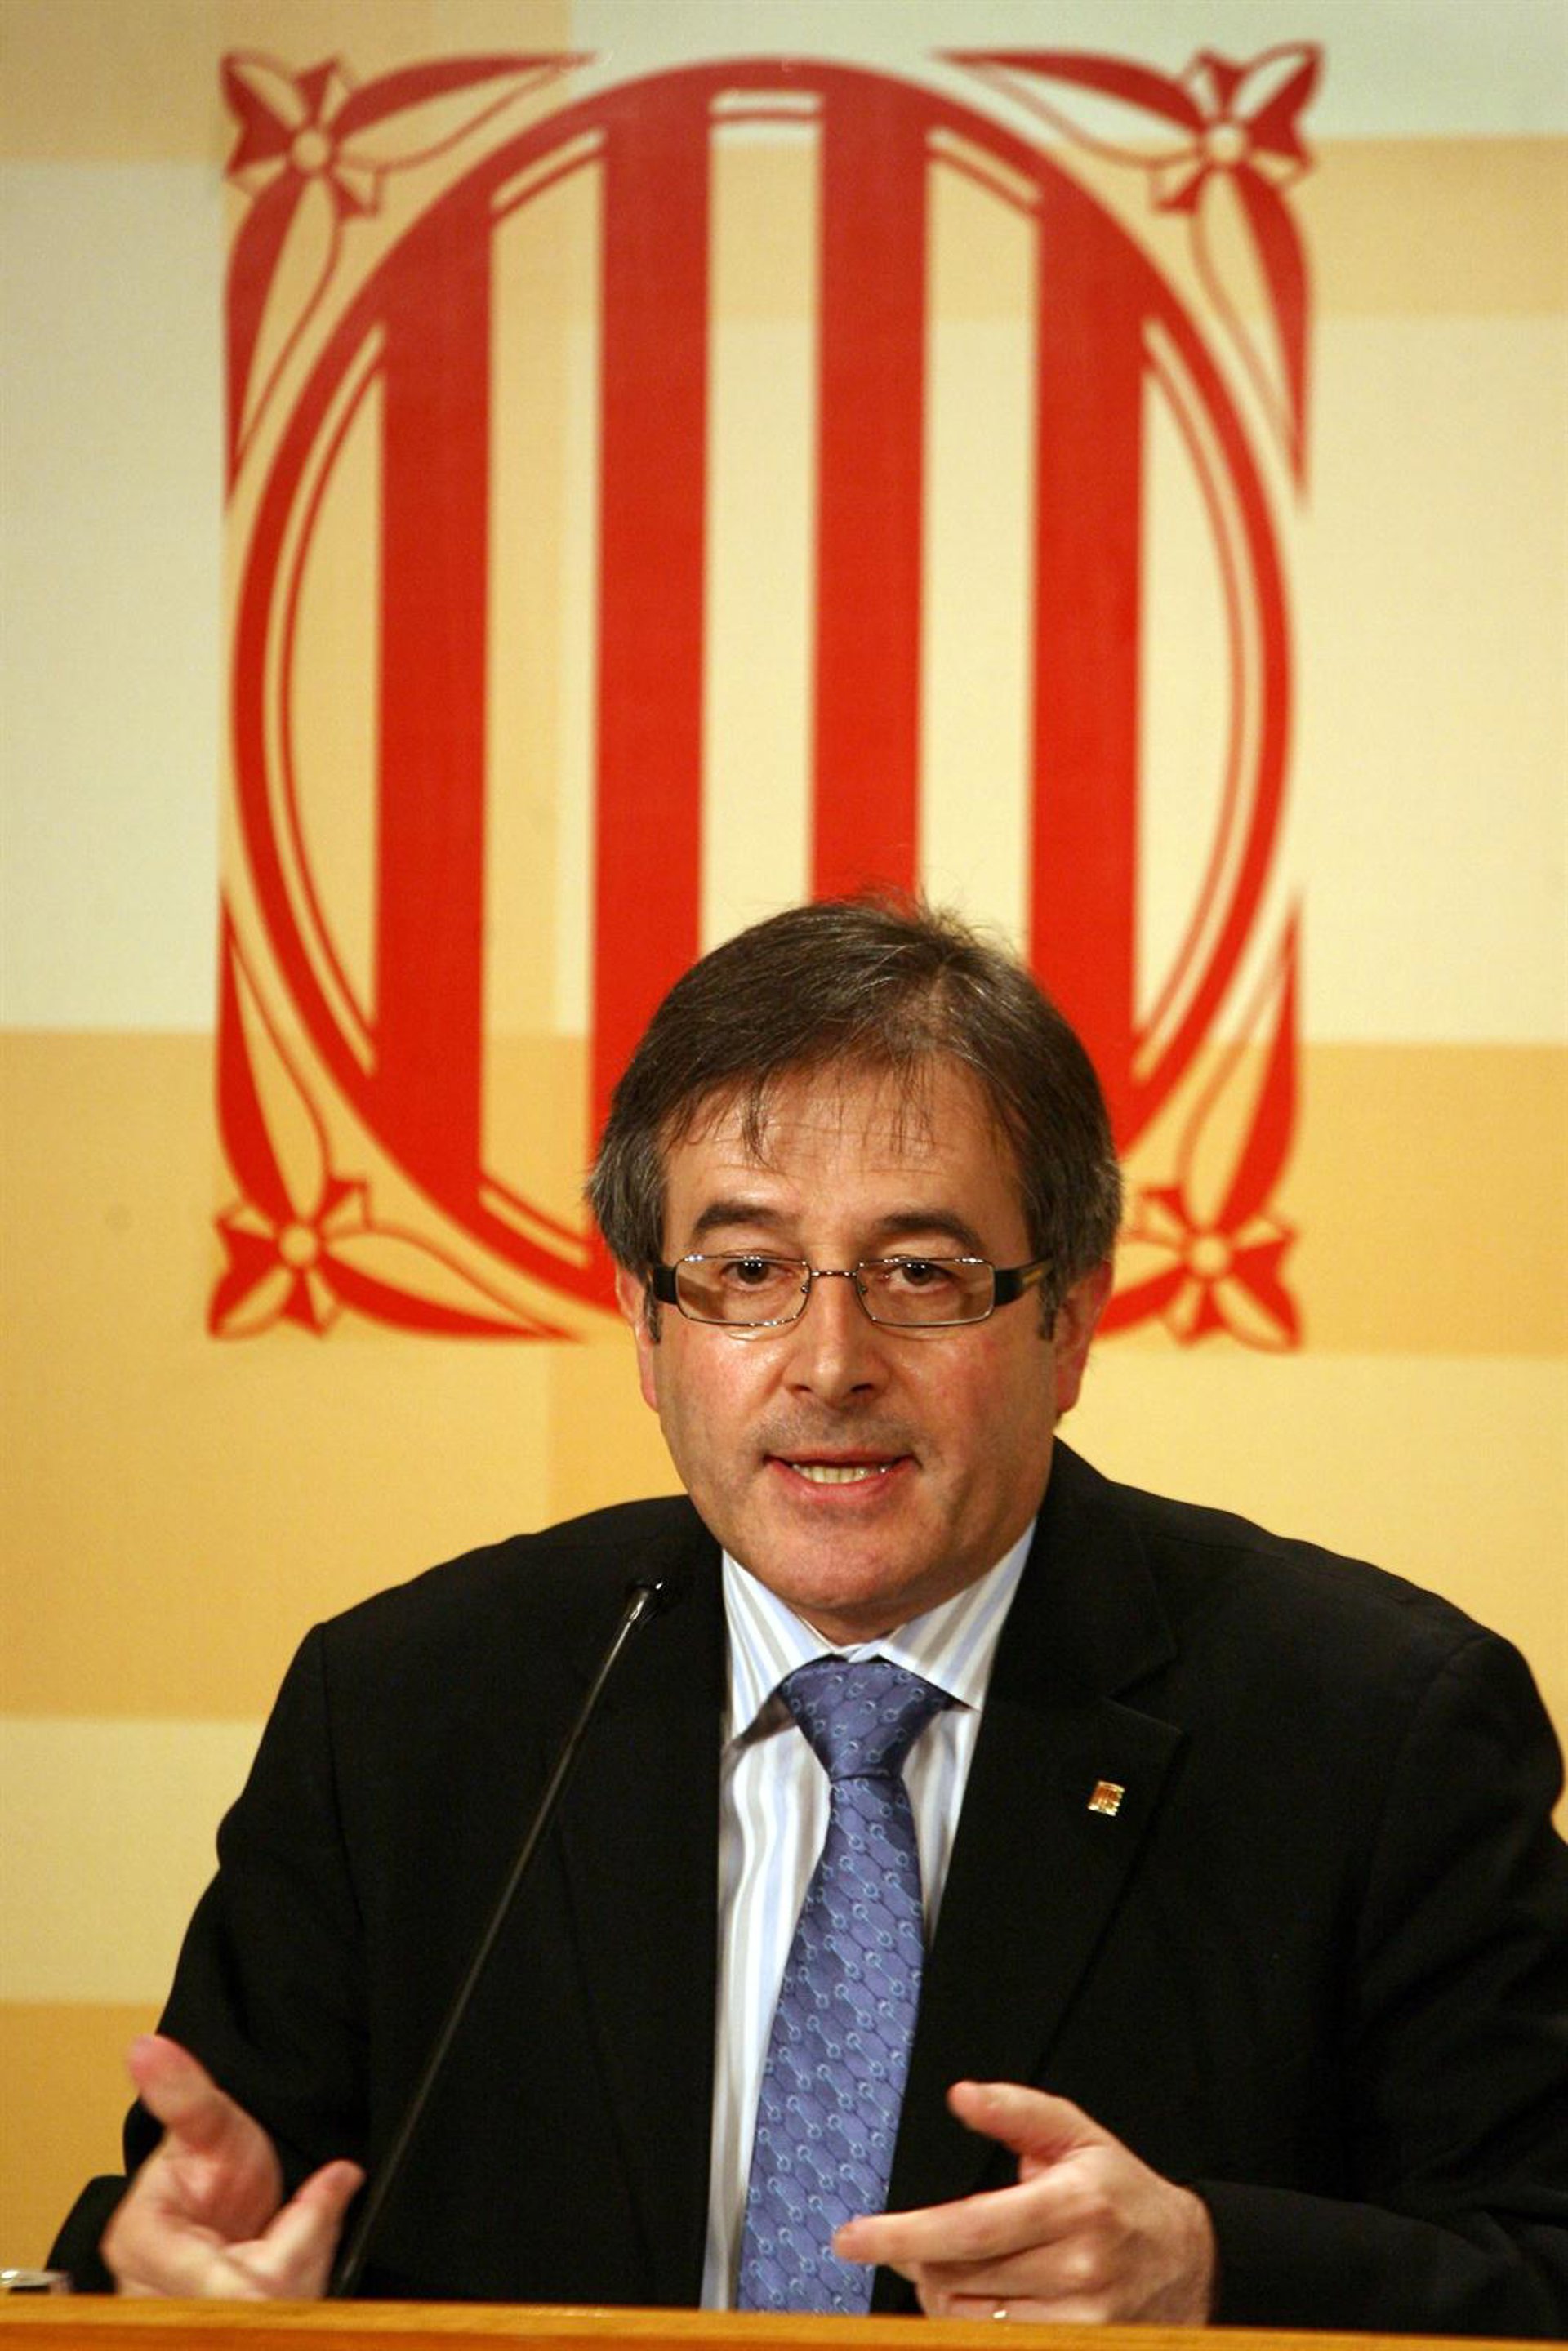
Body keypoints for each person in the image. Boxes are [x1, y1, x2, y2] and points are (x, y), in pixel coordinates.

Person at [52, 897, 1568, 2330]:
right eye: (748, 1271)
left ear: (1070, 1317)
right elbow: (192, 2238)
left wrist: (1213, 2272)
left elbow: (1542, 2258)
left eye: (921, 1273)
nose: (830, 1361)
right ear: (645, 1321)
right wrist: (173, 2272)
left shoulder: (1374, 1732)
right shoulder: (406, 1715)